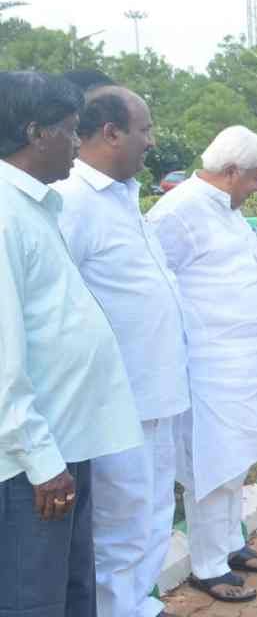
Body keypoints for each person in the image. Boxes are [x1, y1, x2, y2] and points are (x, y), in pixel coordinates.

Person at [1, 71, 142, 617]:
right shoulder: (6, 218)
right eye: (68, 131)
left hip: (64, 444)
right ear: (35, 133)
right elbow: (4, 358)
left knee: (71, 592)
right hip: (30, 463)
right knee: (31, 598)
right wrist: (41, 461)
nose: (77, 146)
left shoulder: (36, 206)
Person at [52, 85, 190, 617]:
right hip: (118, 403)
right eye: (145, 130)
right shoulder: (73, 200)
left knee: (152, 515)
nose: (151, 142)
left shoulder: (124, 196)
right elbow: (63, 304)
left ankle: (138, 605)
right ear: (110, 133)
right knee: (117, 527)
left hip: (159, 394)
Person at [149, 127, 257, 603]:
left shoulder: (229, 210)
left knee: (235, 459)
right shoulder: (178, 211)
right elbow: (158, 284)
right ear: (232, 171)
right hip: (209, 363)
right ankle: (208, 565)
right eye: (254, 177)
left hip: (247, 360)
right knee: (210, 465)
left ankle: (231, 545)